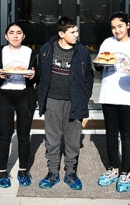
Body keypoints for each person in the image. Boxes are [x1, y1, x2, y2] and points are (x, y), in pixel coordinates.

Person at [36, 16, 94, 190]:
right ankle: (52, 172)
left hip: (74, 101)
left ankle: (71, 173)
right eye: (72, 32)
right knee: (52, 139)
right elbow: (41, 73)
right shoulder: (47, 49)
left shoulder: (82, 51)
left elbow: (89, 76)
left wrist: (84, 96)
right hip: (52, 100)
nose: (76, 34)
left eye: (77, 31)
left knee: (73, 140)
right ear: (62, 34)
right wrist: (41, 94)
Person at [95, 11, 130, 193]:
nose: (117, 30)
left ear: (128, 25)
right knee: (110, 134)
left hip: (128, 95)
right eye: (113, 27)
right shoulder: (107, 43)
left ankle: (125, 172)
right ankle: (113, 169)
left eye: (120, 26)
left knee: (127, 135)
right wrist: (98, 64)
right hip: (109, 94)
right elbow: (99, 64)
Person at [0, 22, 38, 188]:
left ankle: (23, 170)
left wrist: (33, 75)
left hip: (25, 96)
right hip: (4, 95)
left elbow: (37, 76)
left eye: (19, 32)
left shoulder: (30, 52)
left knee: (24, 136)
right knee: (5, 136)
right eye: (11, 32)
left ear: (23, 36)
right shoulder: (0, 51)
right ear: (6, 36)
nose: (15, 35)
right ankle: (2, 172)